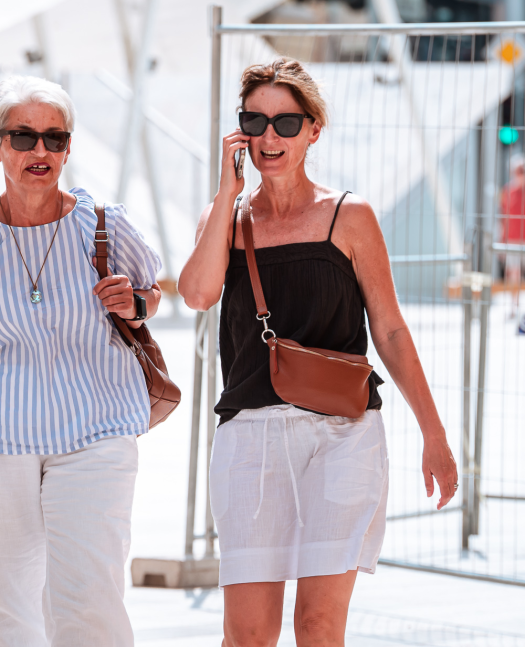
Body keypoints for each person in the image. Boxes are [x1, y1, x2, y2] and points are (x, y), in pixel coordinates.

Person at [177, 58, 459, 647]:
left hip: (342, 435)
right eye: (255, 121)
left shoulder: (347, 216)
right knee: (248, 634)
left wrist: (433, 433)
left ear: (313, 130)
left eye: (286, 123)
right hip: (250, 436)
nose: (269, 136)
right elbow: (198, 294)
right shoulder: (224, 219)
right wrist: (226, 194)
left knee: (318, 626)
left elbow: (390, 330)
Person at [0, 75, 162, 646]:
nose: (40, 151)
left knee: (89, 598)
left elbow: (151, 292)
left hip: (95, 429)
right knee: (4, 610)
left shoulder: (101, 224)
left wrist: (134, 302)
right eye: (24, 136)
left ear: (68, 148)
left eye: (54, 138)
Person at [499, 154, 525, 331]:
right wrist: (501, 242)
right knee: (513, 275)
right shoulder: (507, 191)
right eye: (518, 171)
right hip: (513, 240)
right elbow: (503, 219)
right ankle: (513, 307)